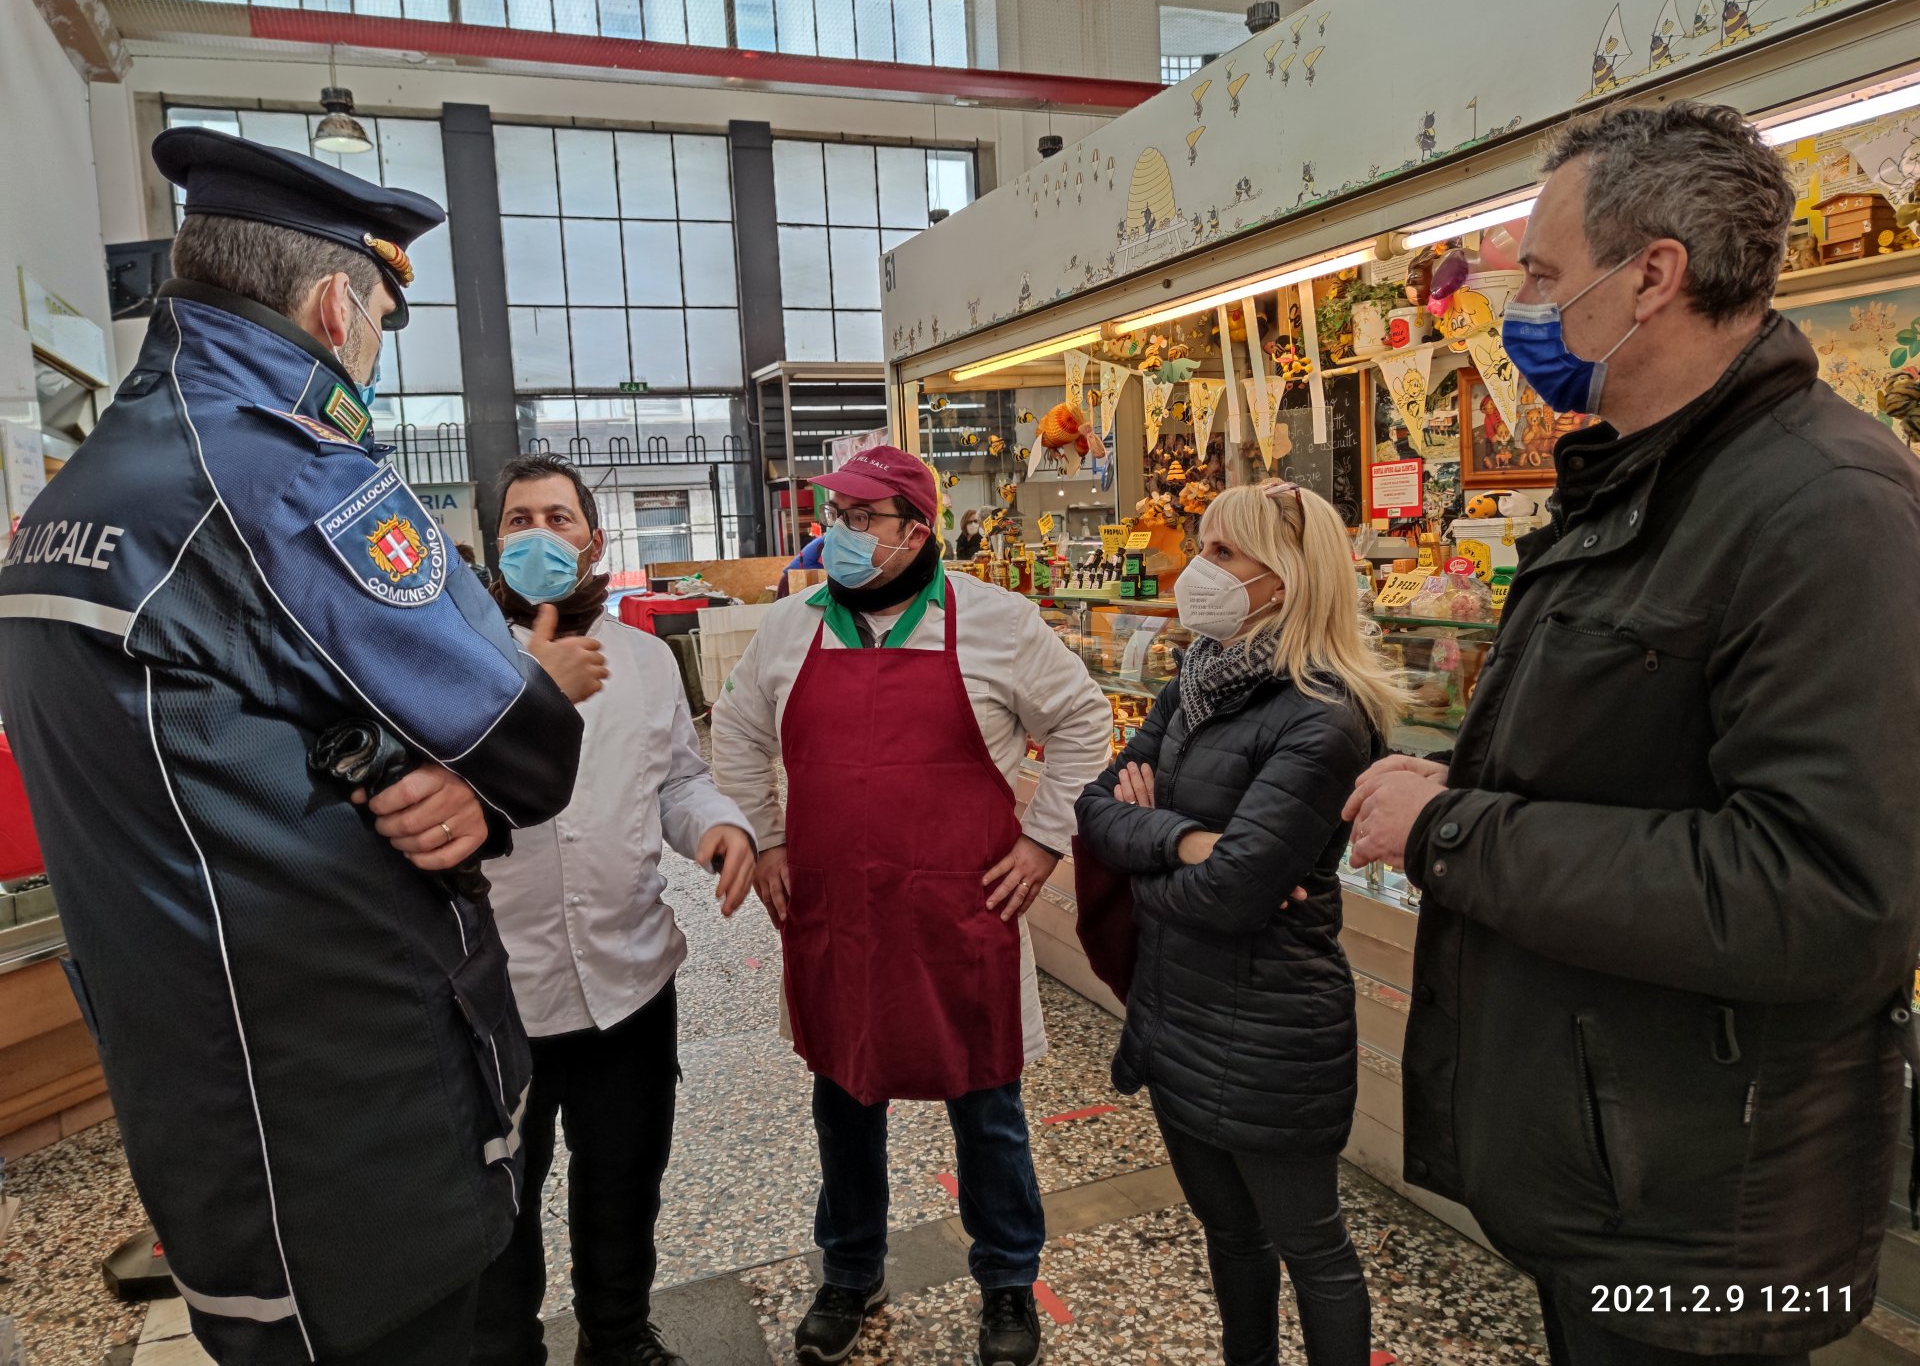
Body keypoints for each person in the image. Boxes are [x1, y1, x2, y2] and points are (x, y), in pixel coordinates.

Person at [0, 129, 603, 1365]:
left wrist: (420, 775)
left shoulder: (75, 500)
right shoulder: (284, 477)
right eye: (383, 314)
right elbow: (529, 746)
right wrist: (521, 694)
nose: (375, 344)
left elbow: (236, 719)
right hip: (348, 1119)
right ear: (337, 304)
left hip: (212, 1110)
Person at [1344, 101, 1920, 1365]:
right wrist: (1464, 776)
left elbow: (1824, 891)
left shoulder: (1823, 505)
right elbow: (1634, 760)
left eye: (1545, 276)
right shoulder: (1649, 476)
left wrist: (1454, 830)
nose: (1523, 310)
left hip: (1711, 1221)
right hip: (1619, 1171)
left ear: (1653, 275)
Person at [709, 445, 1112, 1366]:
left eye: (861, 521)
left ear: (916, 531)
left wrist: (1044, 840)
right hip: (836, 918)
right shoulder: (789, 628)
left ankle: (1009, 1280)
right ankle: (851, 1271)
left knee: (987, 1110)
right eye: (834, 519)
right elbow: (733, 734)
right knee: (843, 1099)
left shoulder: (998, 623)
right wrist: (766, 837)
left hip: (960, 917)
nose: (839, 537)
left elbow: (1085, 723)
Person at [1076, 483, 1399, 1366]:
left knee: (1313, 1248)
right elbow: (1097, 806)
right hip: (1177, 1006)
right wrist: (1184, 844)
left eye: (1222, 554)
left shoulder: (1324, 717)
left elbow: (1232, 894)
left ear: (1287, 576)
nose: (1196, 571)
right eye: (1200, 546)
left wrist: (1155, 857)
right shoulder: (1198, 681)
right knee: (1228, 1233)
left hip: (1271, 1028)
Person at [473, 454, 756, 1366]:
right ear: (493, 542)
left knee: (624, 1178)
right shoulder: (452, 658)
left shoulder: (644, 660)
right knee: (500, 1200)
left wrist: (716, 828)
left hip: (629, 975)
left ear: (594, 539)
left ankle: (619, 1336)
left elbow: (677, 777)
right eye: (520, 521)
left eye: (560, 518)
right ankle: (507, 1349)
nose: (540, 536)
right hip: (494, 992)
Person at [775, 529, 827, 600]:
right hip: (792, 580)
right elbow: (828, 565)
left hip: (795, 579)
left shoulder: (823, 540)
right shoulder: (824, 543)